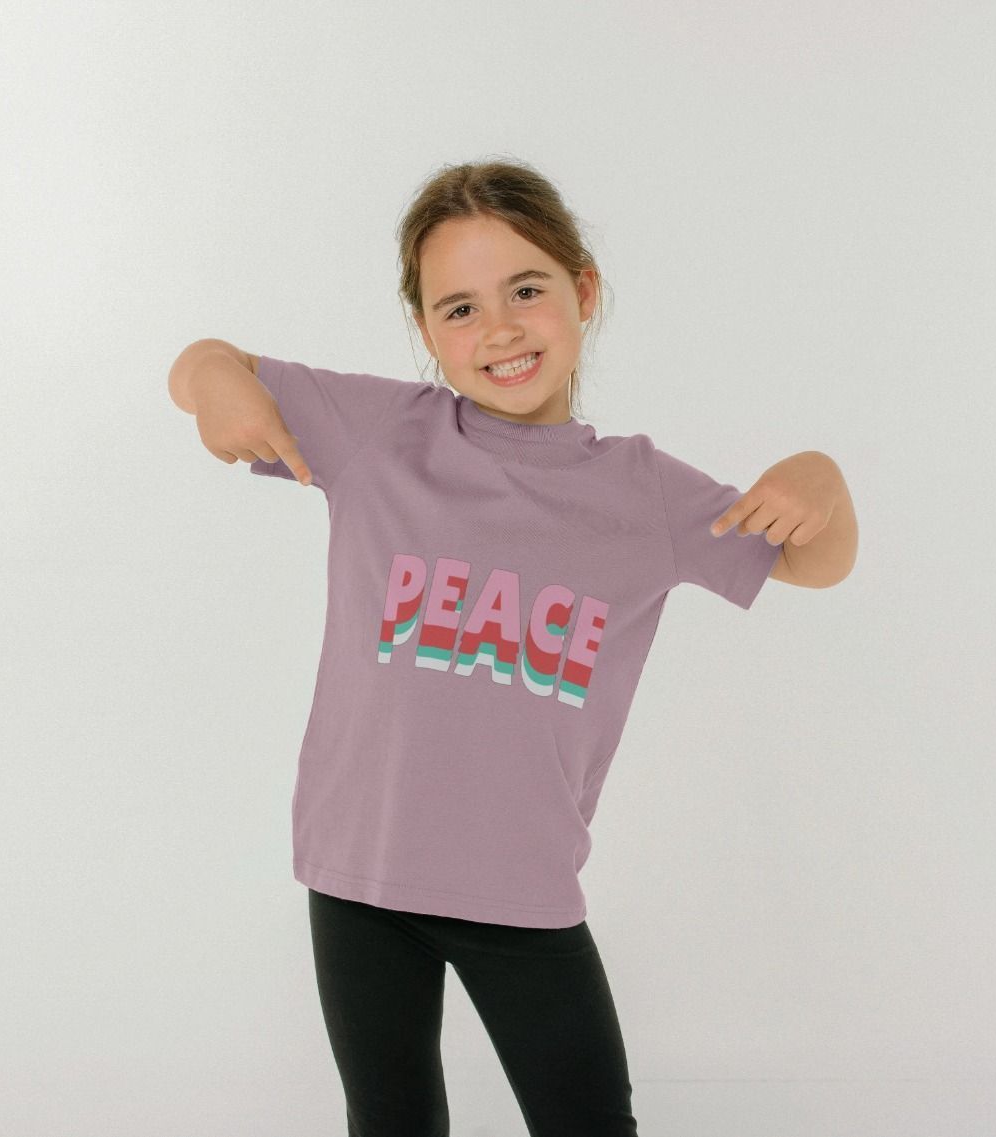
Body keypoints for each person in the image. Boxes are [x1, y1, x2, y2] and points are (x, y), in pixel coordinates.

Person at [167, 158, 857, 1137]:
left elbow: (813, 564)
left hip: (524, 892)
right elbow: (206, 359)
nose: (498, 329)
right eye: (459, 308)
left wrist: (821, 479)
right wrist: (214, 385)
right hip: (357, 874)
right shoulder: (377, 432)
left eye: (525, 290)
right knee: (390, 1119)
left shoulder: (644, 495)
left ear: (584, 291)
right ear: (425, 331)